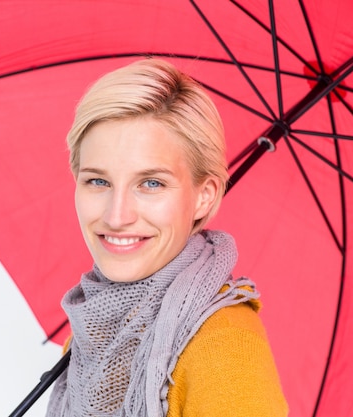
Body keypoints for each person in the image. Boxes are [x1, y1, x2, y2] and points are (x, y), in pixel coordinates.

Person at [46, 58, 288, 417]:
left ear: (204, 195)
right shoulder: (86, 336)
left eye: (151, 183)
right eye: (98, 181)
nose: (116, 216)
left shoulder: (223, 345)